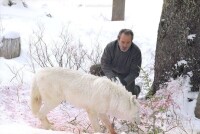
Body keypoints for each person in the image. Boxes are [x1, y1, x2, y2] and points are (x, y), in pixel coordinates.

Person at [101, 29, 142, 98]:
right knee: (94, 69)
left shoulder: (136, 52)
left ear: (131, 41)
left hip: (125, 76)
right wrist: (112, 77)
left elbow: (135, 72)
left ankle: (138, 88)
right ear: (118, 39)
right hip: (112, 72)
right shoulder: (110, 47)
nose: (125, 45)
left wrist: (124, 82)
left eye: (128, 42)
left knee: (129, 96)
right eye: (122, 42)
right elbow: (105, 64)